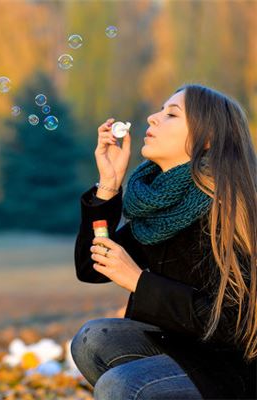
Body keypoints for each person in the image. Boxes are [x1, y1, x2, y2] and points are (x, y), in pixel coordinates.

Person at [71, 84, 256, 399]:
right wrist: (109, 185)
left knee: (123, 384)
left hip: (237, 366)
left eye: (171, 114)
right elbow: (93, 267)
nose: (152, 118)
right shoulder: (161, 207)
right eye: (160, 110)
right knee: (92, 339)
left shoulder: (230, 209)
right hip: (189, 346)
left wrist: (139, 281)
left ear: (207, 139)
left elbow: (233, 324)